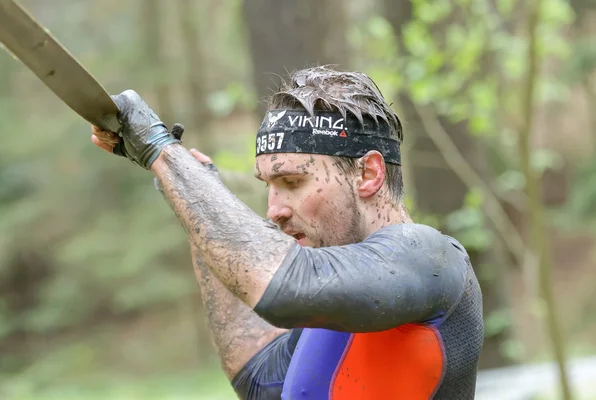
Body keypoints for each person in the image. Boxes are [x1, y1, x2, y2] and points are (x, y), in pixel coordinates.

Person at [91, 66, 484, 400]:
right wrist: (189, 187)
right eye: (269, 186)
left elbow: (282, 289)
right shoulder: (332, 306)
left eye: (293, 181)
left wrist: (161, 150)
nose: (273, 210)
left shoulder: (431, 258)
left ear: (368, 174)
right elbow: (259, 379)